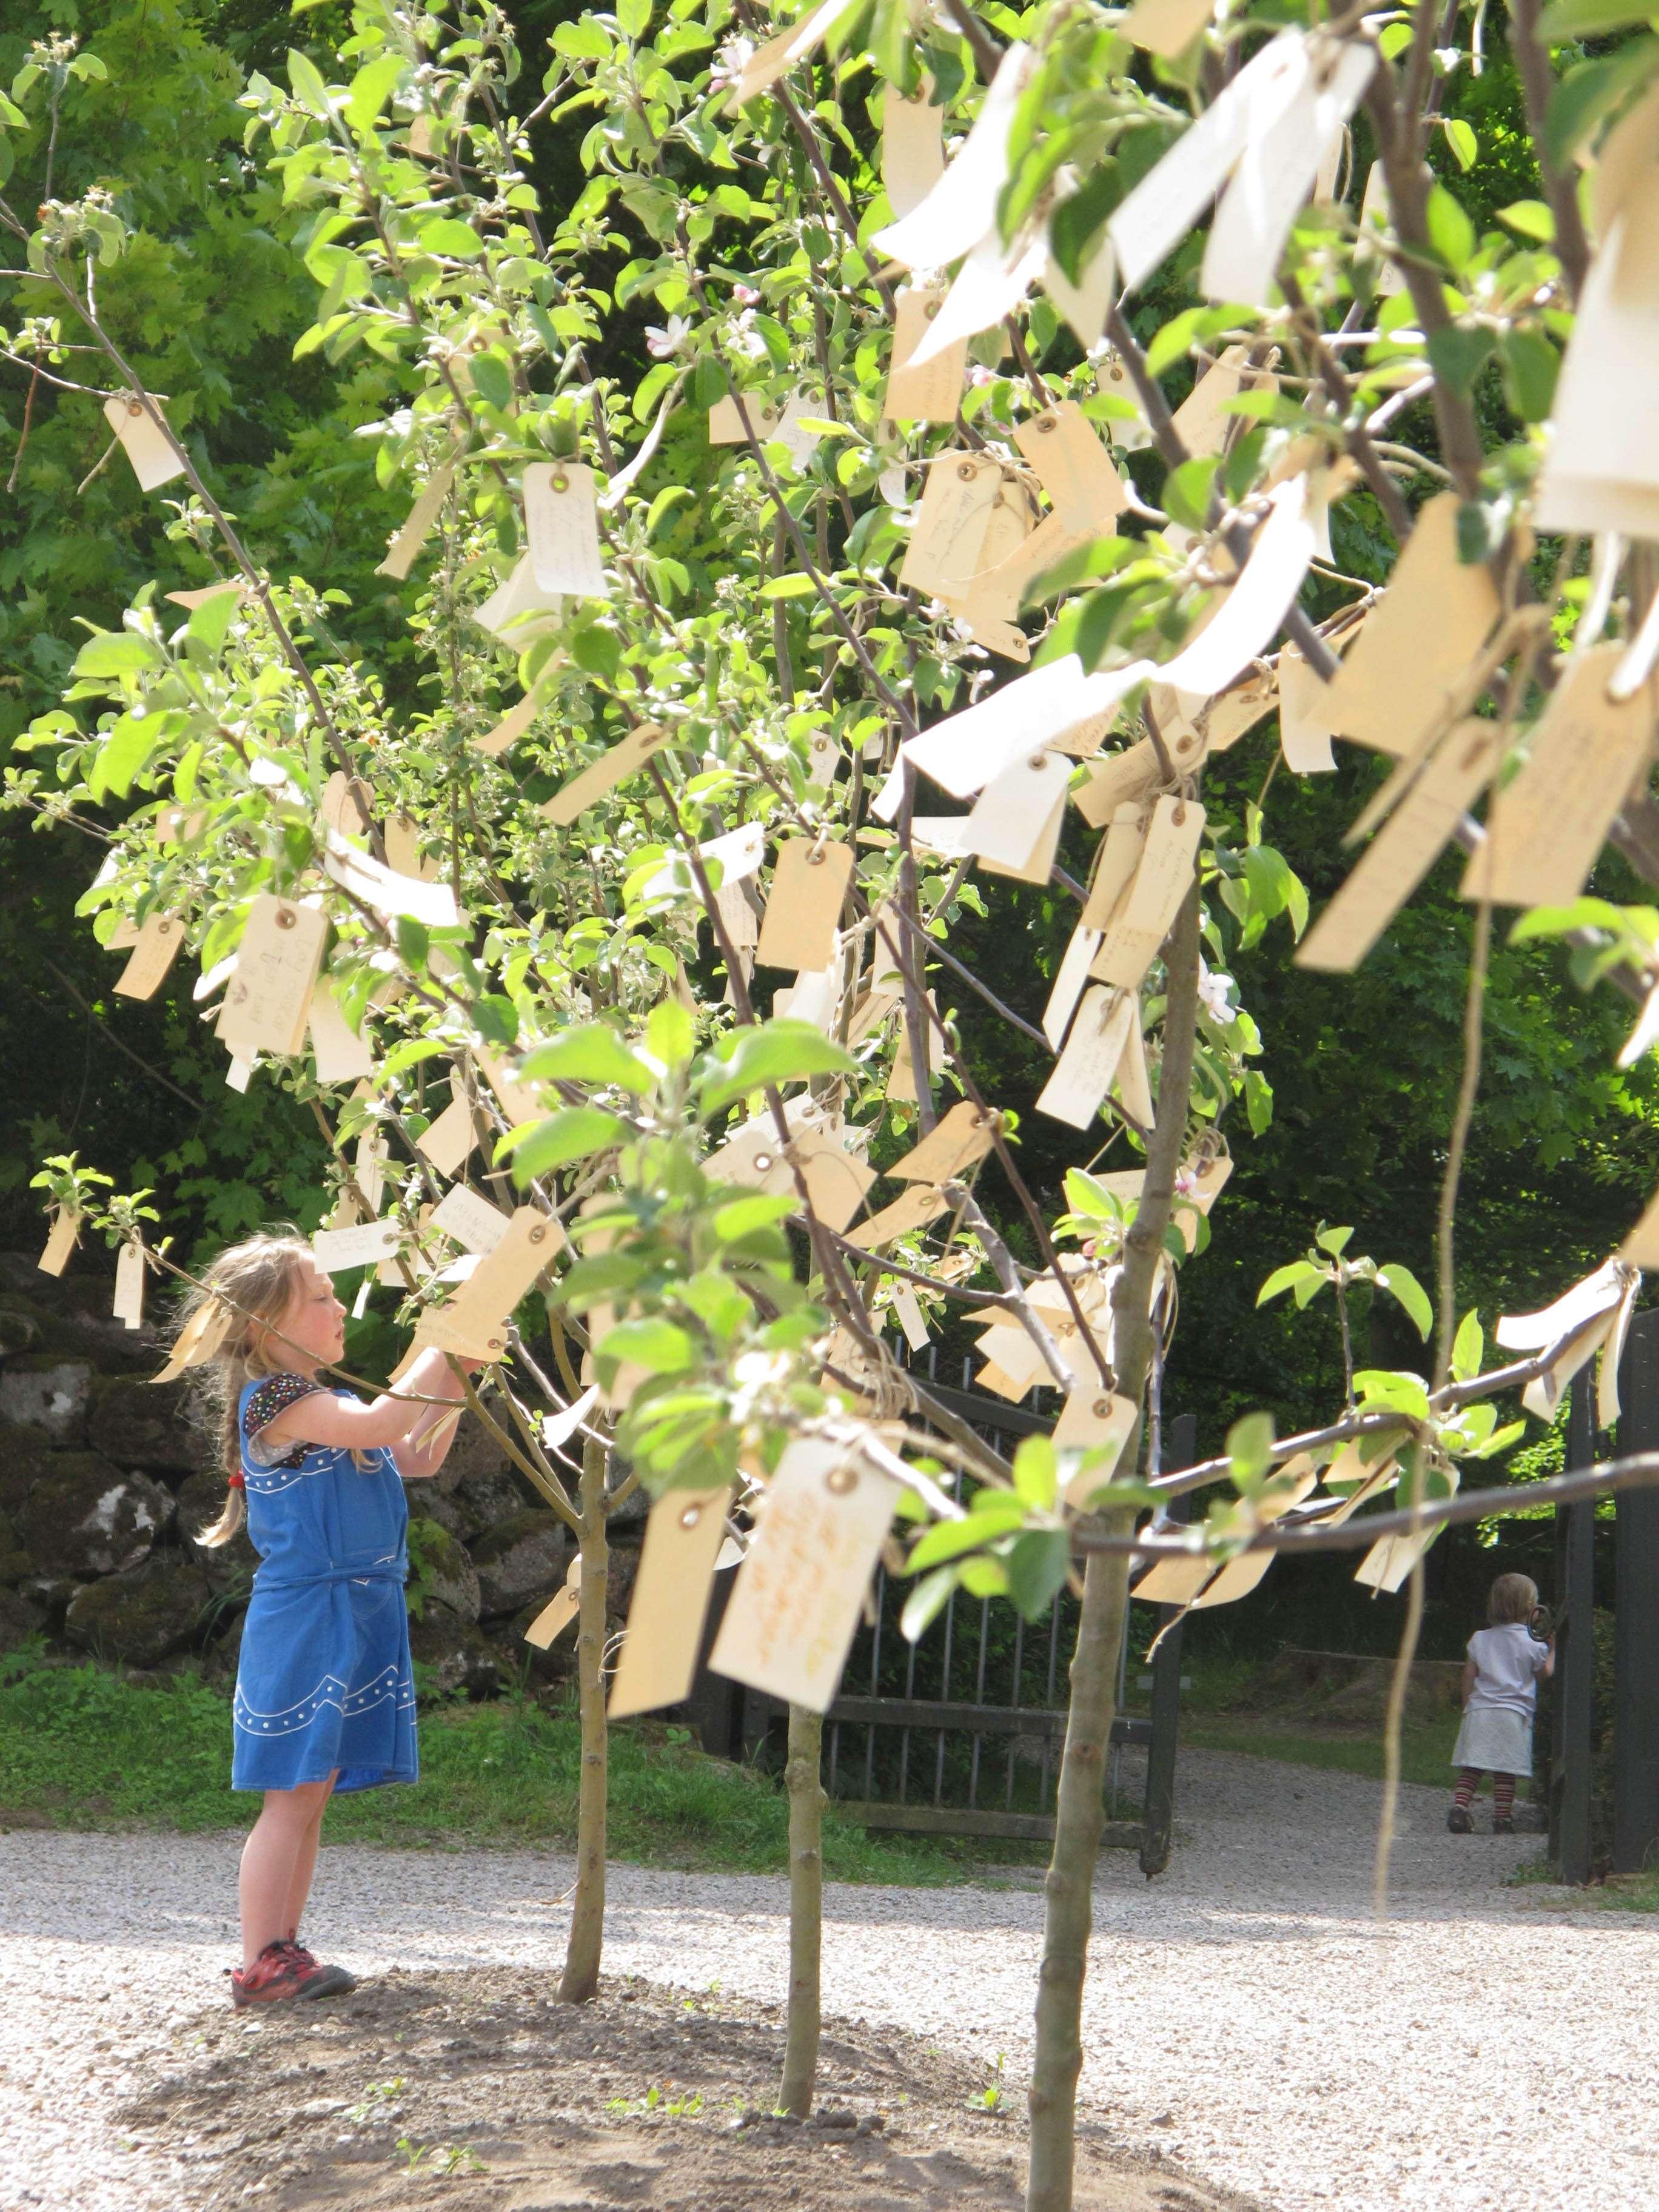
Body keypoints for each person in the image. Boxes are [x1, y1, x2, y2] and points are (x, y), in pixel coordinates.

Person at [186, 1231, 474, 2006]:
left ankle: (283, 1947)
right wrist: (441, 1340)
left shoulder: (326, 1403)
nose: (339, 1305)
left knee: (314, 1792)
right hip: (312, 1613)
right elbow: (386, 1425)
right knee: (293, 1791)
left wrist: (459, 1369)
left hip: (354, 1608)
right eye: (320, 1296)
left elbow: (416, 1455)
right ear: (262, 1326)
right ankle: (260, 1960)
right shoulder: (277, 1400)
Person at [1447, 1572, 1554, 1835]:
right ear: (1532, 1609)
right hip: (1513, 1714)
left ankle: (1460, 1808)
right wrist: (1554, 1651)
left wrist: (1466, 1705)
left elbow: (1469, 1675)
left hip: (1480, 1710)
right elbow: (1544, 1675)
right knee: (1505, 1770)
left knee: (1473, 1765)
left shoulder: (1480, 1639)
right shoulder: (1533, 1643)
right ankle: (1502, 1818)